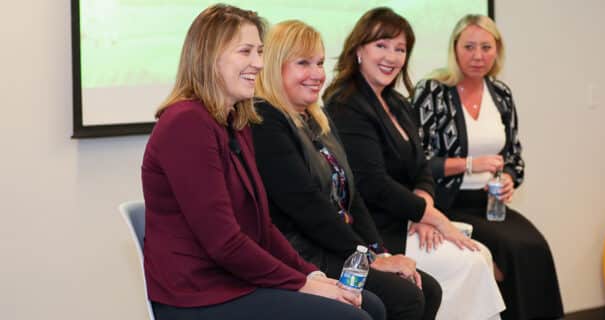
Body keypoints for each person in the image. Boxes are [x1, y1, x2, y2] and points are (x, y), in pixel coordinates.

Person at [140, 5, 385, 320]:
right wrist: (301, 284)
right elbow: (224, 243)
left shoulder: (236, 120)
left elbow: (261, 226)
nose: (258, 63)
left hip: (235, 280)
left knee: (370, 305)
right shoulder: (186, 123)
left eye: (260, 51)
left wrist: (310, 275)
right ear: (208, 57)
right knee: (354, 316)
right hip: (199, 296)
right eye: (246, 52)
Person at [251, 20, 442, 320]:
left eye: (319, 63)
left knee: (427, 289)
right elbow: (306, 206)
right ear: (275, 66)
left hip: (338, 246)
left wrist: (378, 252)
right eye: (303, 63)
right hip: (303, 254)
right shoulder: (266, 119)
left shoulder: (317, 117)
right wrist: (365, 256)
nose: (316, 75)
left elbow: (351, 197)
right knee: (406, 298)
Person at [324, 7, 505, 320]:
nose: (391, 57)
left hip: (408, 220)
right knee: (472, 260)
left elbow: (422, 168)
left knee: (480, 256)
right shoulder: (346, 103)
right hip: (379, 231)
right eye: (381, 45)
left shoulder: (396, 101)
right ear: (357, 50)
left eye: (400, 49)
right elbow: (373, 184)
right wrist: (432, 217)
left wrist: (423, 208)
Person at [411, 14, 563, 320]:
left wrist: (508, 177)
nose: (478, 56)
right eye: (469, 46)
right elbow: (418, 162)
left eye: (486, 47)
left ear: (497, 51)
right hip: (447, 204)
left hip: (491, 204)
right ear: (454, 49)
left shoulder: (501, 94)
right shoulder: (432, 91)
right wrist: (469, 164)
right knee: (511, 250)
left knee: (535, 247)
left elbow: (514, 157)